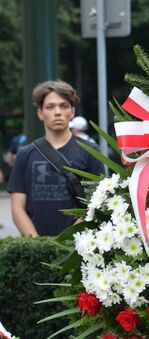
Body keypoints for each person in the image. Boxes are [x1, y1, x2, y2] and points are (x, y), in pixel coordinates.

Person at [8, 81, 103, 237]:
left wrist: (65, 244)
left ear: (72, 112)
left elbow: (96, 204)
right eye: (50, 107)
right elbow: (17, 207)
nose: (57, 112)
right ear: (40, 113)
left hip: (77, 248)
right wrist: (39, 245)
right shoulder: (25, 154)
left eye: (63, 106)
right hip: (36, 248)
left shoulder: (90, 152)